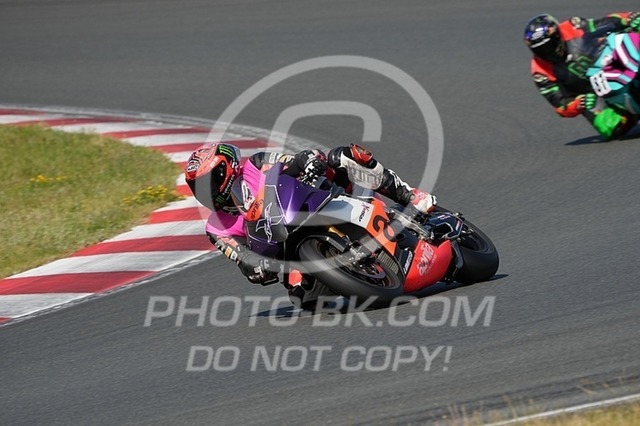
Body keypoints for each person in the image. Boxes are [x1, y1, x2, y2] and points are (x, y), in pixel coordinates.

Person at [184, 142, 437, 309]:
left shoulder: (256, 164)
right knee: (304, 298)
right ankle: (360, 274)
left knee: (341, 157)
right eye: (197, 187)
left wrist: (308, 161)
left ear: (227, 168)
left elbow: (293, 160)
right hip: (288, 250)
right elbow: (239, 256)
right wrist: (254, 267)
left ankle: (408, 194)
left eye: (210, 181)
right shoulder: (215, 228)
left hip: (314, 201)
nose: (205, 191)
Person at [523, 12, 640, 139]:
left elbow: (606, 22)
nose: (547, 53)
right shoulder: (540, 71)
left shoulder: (572, 28)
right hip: (593, 93)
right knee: (608, 127)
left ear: (557, 35)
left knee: (635, 30)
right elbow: (560, 105)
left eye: (549, 46)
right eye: (540, 50)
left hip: (607, 63)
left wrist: (628, 18)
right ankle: (627, 115)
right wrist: (578, 104)